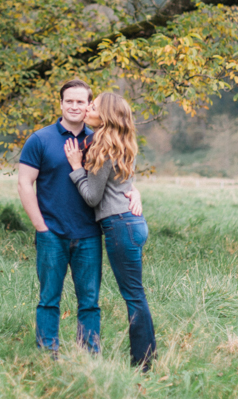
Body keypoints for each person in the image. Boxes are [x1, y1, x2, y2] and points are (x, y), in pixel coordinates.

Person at [64, 92, 156, 371]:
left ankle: (143, 364)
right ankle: (144, 360)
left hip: (120, 225)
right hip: (131, 224)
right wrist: (134, 191)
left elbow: (93, 197)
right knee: (136, 294)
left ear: (104, 116)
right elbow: (125, 184)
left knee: (134, 296)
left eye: (92, 107)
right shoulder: (120, 142)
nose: (87, 110)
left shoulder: (103, 149)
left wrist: (77, 168)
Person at [18, 79, 102, 355]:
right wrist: (40, 226)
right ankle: (47, 354)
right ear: (61, 103)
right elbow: (24, 183)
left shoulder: (97, 140)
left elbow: (119, 176)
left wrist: (134, 193)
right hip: (51, 232)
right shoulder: (40, 139)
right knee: (48, 299)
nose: (75, 106)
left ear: (89, 105)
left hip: (89, 233)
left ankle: (89, 355)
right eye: (70, 101)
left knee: (89, 301)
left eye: (81, 102)